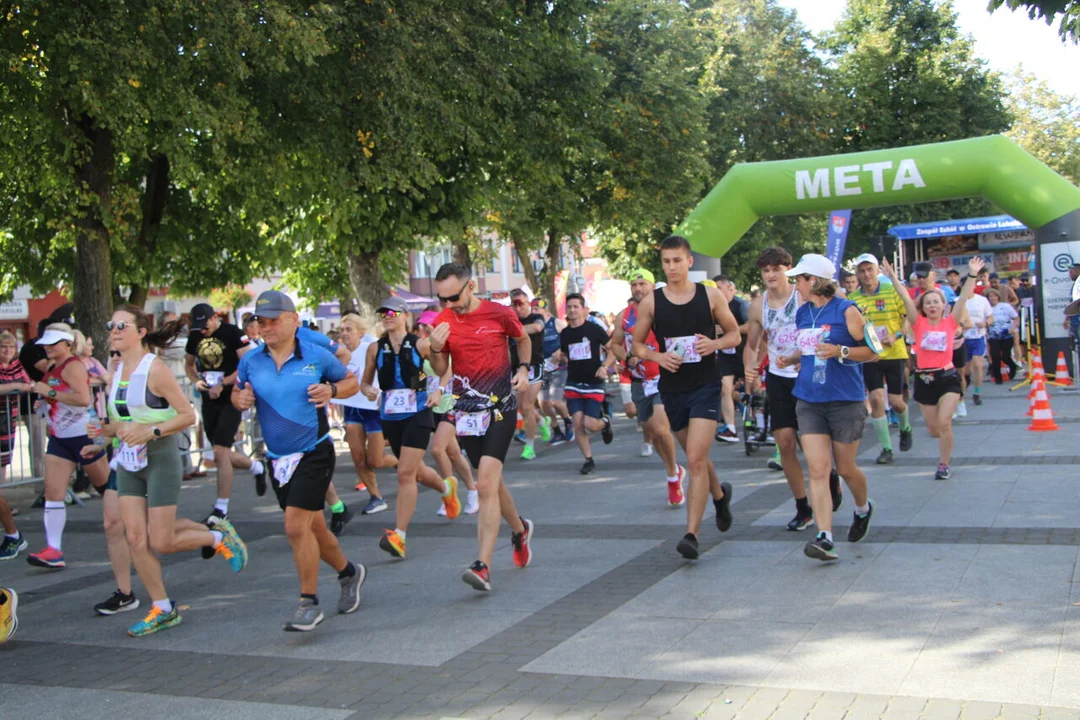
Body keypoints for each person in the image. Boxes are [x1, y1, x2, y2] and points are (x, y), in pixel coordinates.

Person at [91, 305, 247, 636]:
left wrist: (152, 432)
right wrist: (102, 434)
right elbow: (122, 420)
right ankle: (162, 608)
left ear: (140, 332)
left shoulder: (155, 369)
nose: (114, 330)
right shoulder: (117, 369)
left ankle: (218, 536)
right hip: (129, 459)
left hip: (160, 456)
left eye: (122, 325)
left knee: (160, 540)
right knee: (135, 537)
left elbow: (187, 415)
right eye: (111, 324)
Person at [232, 291, 366, 632]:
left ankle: (308, 602)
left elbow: (351, 382)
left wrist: (332, 392)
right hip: (278, 458)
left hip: (314, 451)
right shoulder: (251, 360)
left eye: (274, 320)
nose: (266, 327)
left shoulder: (317, 356)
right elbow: (237, 392)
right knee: (314, 528)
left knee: (295, 526)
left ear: (293, 319)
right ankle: (350, 573)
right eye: (261, 321)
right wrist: (240, 398)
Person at [630, 235, 740, 560]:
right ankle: (719, 496)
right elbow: (636, 345)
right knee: (698, 456)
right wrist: (657, 357)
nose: (671, 267)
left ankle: (691, 534)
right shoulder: (652, 301)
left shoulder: (710, 295)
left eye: (677, 260)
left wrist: (714, 345)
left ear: (689, 262)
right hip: (672, 389)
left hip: (706, 385)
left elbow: (735, 332)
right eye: (666, 262)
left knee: (693, 459)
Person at [429, 263, 534, 592]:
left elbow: (523, 339)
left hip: (500, 407)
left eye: (454, 296)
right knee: (494, 483)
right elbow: (440, 367)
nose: (449, 304)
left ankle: (483, 565)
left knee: (485, 484)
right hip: (466, 412)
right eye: (442, 298)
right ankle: (519, 531)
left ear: (471, 286)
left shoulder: (498, 313)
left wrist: (524, 369)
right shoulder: (443, 321)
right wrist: (434, 348)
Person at [775, 254, 876, 562]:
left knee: (845, 468)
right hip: (809, 399)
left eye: (799, 279)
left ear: (814, 281)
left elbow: (874, 352)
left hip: (845, 399)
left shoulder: (848, 310)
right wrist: (791, 358)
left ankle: (863, 508)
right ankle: (825, 536)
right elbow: (808, 349)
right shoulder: (803, 312)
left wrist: (841, 350)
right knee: (818, 469)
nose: (795, 285)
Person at [745, 247, 844, 531]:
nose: (771, 275)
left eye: (776, 269)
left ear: (788, 270)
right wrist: (750, 368)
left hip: (807, 373)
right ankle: (803, 506)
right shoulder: (758, 305)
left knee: (810, 441)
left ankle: (830, 476)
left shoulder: (803, 296)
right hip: (777, 376)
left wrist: (813, 356)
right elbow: (752, 345)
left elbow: (832, 319)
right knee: (785, 442)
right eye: (765, 271)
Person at [25, 323, 130, 585]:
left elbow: (83, 399)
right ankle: (53, 550)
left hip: (84, 435)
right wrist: (44, 400)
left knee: (106, 486)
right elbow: (58, 396)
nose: (48, 347)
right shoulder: (51, 367)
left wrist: (48, 392)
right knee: (53, 491)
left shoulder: (73, 365)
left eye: (53, 343)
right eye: (46, 344)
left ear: (67, 344)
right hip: (60, 438)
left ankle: (136, 523)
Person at [360, 297, 462, 560]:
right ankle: (446, 489)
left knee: (404, 473)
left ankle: (399, 536)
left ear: (405, 316)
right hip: (391, 415)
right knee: (415, 472)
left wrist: (439, 391)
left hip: (418, 411)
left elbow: (446, 371)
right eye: (383, 312)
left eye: (393, 312)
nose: (387, 316)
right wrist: (369, 390)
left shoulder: (421, 344)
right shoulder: (374, 348)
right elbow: (365, 383)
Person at [884, 257, 983, 480]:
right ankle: (941, 441)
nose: (932, 305)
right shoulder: (918, 323)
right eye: (928, 303)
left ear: (943, 305)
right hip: (924, 379)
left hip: (947, 376)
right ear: (923, 307)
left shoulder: (951, 321)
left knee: (944, 421)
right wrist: (892, 278)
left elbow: (964, 297)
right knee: (933, 429)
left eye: (936, 302)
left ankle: (944, 464)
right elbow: (905, 298)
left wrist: (973, 274)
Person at [184, 304, 266, 528]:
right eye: (199, 327)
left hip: (232, 397)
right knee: (222, 453)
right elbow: (189, 365)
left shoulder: (232, 333)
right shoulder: (195, 336)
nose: (203, 331)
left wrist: (223, 383)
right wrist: (195, 380)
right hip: (209, 398)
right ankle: (256, 467)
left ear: (214, 318)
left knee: (220, 451)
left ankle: (221, 508)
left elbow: (246, 364)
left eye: (206, 325)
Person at [611, 268, 685, 507]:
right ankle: (673, 469)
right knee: (653, 433)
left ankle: (673, 479)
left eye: (642, 283)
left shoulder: (667, 309)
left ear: (653, 286)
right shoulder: (624, 315)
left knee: (660, 427)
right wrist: (627, 357)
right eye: (634, 284)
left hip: (664, 378)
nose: (638, 288)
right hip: (639, 380)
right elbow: (615, 344)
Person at [848, 253, 914, 465]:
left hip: (894, 352)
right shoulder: (853, 299)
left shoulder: (892, 290)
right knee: (876, 399)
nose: (866, 274)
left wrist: (896, 335)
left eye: (870, 269)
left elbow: (908, 318)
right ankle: (886, 448)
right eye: (862, 270)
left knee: (896, 402)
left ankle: (905, 427)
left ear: (877, 270)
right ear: (857, 274)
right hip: (870, 355)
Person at [415, 311, 479, 516]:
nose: (425, 330)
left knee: (437, 449)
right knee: (453, 453)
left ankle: (449, 495)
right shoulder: (422, 346)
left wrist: (440, 389)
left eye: (429, 326)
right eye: (422, 326)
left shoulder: (449, 344)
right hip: (431, 405)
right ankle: (472, 489)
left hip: (453, 401)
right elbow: (420, 375)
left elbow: (449, 371)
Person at [332, 313, 390, 515]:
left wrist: (383, 392)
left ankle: (405, 459)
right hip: (351, 408)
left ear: (361, 332)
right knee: (358, 457)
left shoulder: (370, 349)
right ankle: (376, 497)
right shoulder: (338, 355)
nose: (344, 334)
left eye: (349, 329)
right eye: (342, 330)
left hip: (372, 409)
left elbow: (387, 371)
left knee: (376, 461)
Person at [557, 293, 616, 474]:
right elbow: (567, 355)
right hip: (573, 383)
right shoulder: (565, 333)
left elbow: (614, 349)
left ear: (584, 310)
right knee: (577, 422)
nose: (572, 310)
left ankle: (605, 422)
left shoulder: (593, 329)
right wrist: (561, 357)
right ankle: (588, 459)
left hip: (593, 382)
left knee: (590, 424)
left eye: (576, 307)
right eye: (569, 307)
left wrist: (605, 366)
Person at [509, 289, 550, 460]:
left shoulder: (535, 317)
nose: (518, 308)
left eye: (521, 303)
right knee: (523, 408)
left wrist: (513, 330)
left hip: (534, 366)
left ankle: (530, 447)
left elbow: (537, 327)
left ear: (528, 303)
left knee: (527, 405)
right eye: (514, 304)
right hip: (517, 368)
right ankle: (542, 422)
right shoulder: (510, 320)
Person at [0, 332, 30, 561]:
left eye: (10, 346)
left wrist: (19, 385)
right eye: (3, 346)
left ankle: (13, 535)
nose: (7, 350)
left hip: (4, 429)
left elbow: (28, 386)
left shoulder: (17, 367)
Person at [713, 275, 749, 443]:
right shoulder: (713, 306)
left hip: (744, 352)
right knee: (725, 389)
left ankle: (759, 422)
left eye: (719, 288)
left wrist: (731, 329)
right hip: (725, 355)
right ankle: (731, 428)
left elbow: (752, 326)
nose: (716, 292)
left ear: (729, 288)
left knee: (753, 390)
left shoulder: (740, 305)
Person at [535, 299, 572, 444]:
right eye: (533, 309)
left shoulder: (555, 323)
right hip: (541, 369)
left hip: (558, 367)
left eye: (537, 309)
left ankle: (568, 422)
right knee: (543, 403)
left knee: (555, 401)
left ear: (545, 310)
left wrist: (560, 350)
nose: (534, 312)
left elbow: (569, 338)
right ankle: (556, 431)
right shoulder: (532, 325)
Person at [961, 282, 993, 406]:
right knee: (965, 370)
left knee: (978, 365)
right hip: (963, 339)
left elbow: (990, 317)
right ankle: (967, 380)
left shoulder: (982, 300)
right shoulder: (958, 301)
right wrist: (962, 325)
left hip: (978, 336)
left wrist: (985, 324)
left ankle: (977, 393)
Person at [987, 289, 1019, 384]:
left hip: (1006, 335)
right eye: (990, 296)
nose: (993, 298)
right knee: (995, 356)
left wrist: (1013, 328)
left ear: (998, 297)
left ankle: (1013, 367)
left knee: (1005, 356)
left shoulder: (1005, 306)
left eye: (994, 296)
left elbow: (1016, 317)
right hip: (993, 336)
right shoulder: (986, 308)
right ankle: (998, 377)